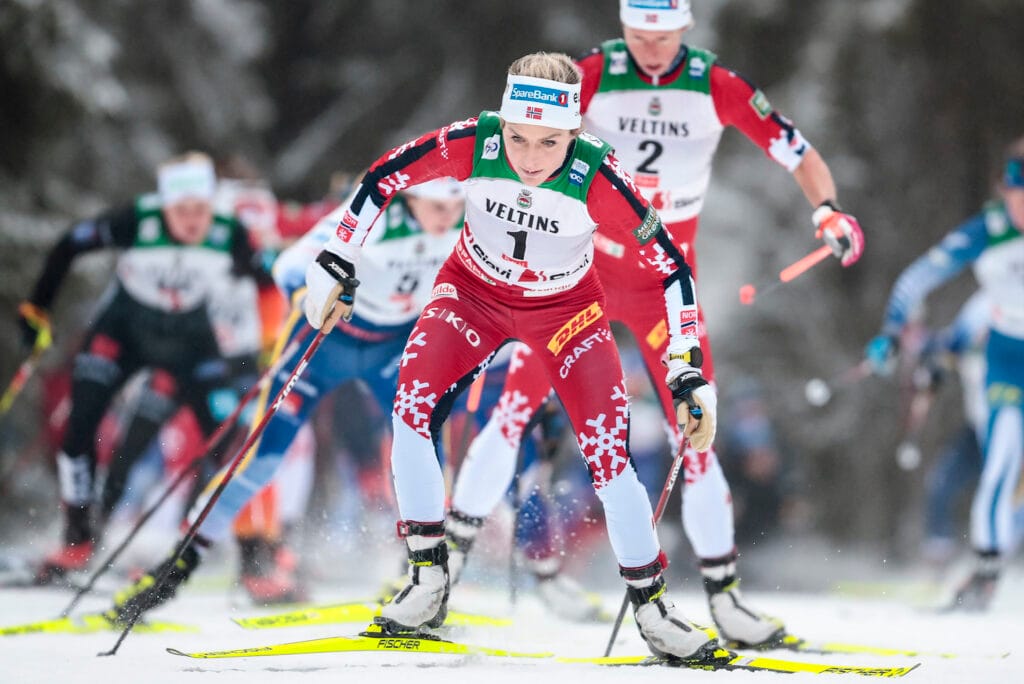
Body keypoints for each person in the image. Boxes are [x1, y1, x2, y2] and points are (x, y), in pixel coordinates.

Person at [444, 0, 863, 646]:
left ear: (685, 29)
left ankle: (726, 603)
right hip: (578, 271)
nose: (650, 47)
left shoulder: (715, 85)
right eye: (638, 32)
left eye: (663, 35)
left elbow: (797, 149)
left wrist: (828, 210)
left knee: (696, 428)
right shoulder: (594, 70)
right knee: (513, 407)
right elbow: (512, 134)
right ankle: (441, 571)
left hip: (663, 282)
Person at [302, 51, 722, 662]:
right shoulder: (479, 142)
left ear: (575, 133)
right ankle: (427, 577)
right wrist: (338, 257)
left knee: (610, 457)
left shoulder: (597, 175)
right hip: (473, 294)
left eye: (548, 143)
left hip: (567, 312)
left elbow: (673, 272)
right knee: (411, 409)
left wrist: (685, 368)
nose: (528, 158)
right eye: (518, 138)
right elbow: (382, 176)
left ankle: (653, 608)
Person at [103, 177, 467, 616]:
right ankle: (176, 566)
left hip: (393, 347)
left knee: (421, 445)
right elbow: (291, 265)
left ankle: (427, 572)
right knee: (260, 461)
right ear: (410, 199)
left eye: (453, 208)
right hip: (324, 342)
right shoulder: (370, 215)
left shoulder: (467, 224)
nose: (446, 219)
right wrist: (312, 294)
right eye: (436, 208)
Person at [15, 152, 272, 585]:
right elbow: (69, 245)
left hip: (191, 344)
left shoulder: (231, 232)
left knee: (231, 442)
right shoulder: (137, 219)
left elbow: (269, 285)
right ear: (164, 205)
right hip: (124, 332)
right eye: (181, 210)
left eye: (201, 210)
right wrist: (36, 309)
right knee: (80, 428)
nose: (192, 220)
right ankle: (77, 538)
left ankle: (253, 559)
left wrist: (269, 341)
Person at [865, 136, 1024, 611]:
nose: (1020, 207)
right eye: (1015, 192)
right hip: (1008, 356)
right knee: (1001, 461)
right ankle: (987, 572)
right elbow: (916, 279)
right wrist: (895, 331)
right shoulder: (991, 228)